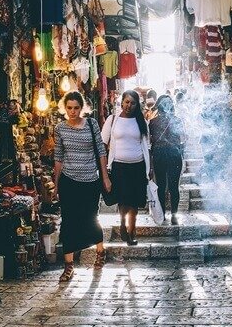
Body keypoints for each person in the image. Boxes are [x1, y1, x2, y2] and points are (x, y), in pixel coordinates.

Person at [53, 91, 111, 282]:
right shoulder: (60, 128)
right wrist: (55, 184)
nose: (73, 111)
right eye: (69, 108)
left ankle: (100, 251)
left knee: (90, 218)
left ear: (82, 107)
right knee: (68, 221)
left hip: (90, 181)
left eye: (76, 108)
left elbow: (101, 151)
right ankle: (68, 266)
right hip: (68, 181)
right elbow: (58, 157)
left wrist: (105, 177)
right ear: (64, 107)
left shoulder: (92, 124)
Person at [102, 90, 151, 246]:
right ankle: (123, 223)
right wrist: (104, 170)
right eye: (127, 102)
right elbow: (103, 143)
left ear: (137, 105)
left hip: (138, 166)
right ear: (122, 102)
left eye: (133, 103)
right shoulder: (112, 119)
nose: (129, 105)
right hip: (119, 166)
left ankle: (131, 232)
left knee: (135, 202)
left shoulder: (141, 121)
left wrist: (150, 168)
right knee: (123, 200)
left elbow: (147, 146)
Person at [149, 95, 186, 225]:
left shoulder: (153, 122)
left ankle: (163, 214)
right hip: (173, 154)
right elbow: (182, 139)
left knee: (162, 186)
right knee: (173, 186)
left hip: (160, 154)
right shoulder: (177, 120)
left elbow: (151, 142)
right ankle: (174, 215)